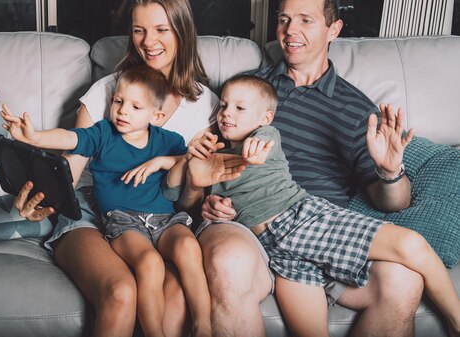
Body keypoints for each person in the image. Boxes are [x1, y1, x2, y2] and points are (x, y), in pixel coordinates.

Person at [189, 0, 426, 337]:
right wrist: (210, 202)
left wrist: (391, 171)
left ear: (334, 29)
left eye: (305, 20)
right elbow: (208, 161)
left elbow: (391, 202)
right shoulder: (247, 92)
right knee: (227, 262)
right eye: (284, 20)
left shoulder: (356, 109)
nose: (290, 31)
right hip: (246, 225)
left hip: (319, 229)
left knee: (404, 280)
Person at [1, 0, 220, 337]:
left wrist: (183, 174)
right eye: (139, 30)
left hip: (156, 216)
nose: (149, 42)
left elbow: (190, 195)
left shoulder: (205, 106)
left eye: (161, 29)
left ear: (183, 30)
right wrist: (42, 200)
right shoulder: (106, 93)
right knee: (121, 292)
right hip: (90, 211)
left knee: (175, 294)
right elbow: (70, 173)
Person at [185, 74, 460, 337]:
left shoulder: (265, 135)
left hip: (301, 219)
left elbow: (260, 145)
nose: (226, 112)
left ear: (264, 117)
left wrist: (390, 171)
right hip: (276, 250)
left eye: (239, 107)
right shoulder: (216, 154)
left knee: (410, 244)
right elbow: (191, 193)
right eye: (223, 106)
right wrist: (212, 202)